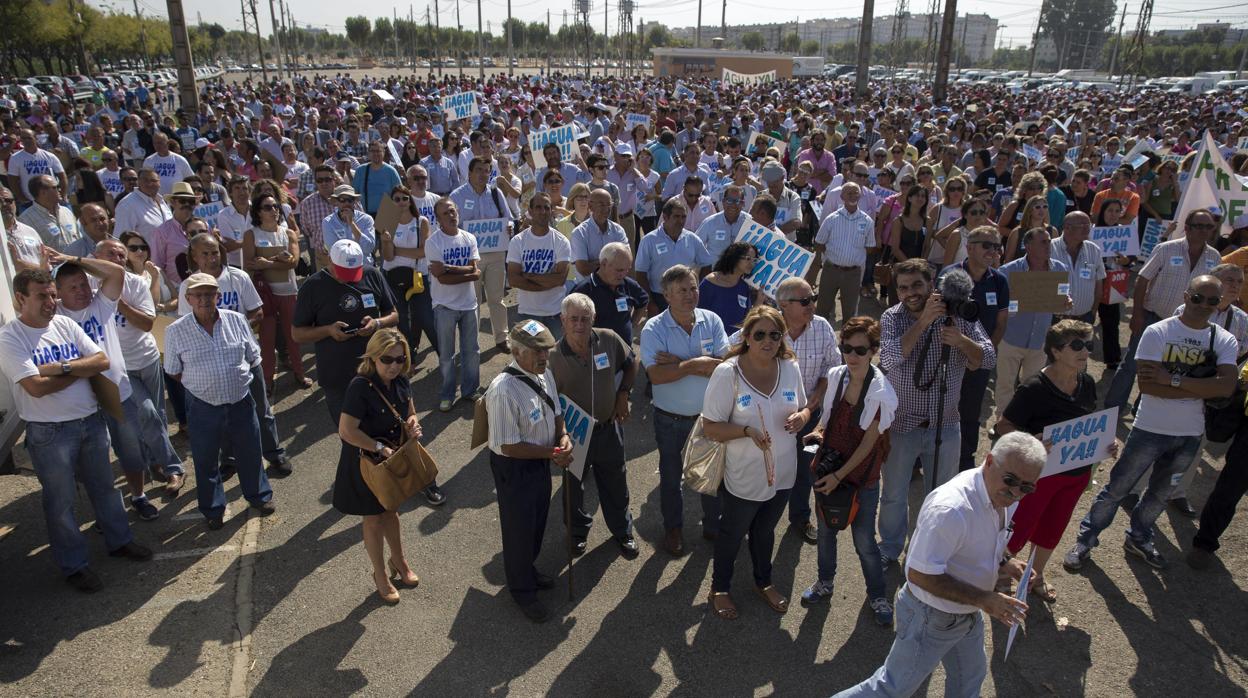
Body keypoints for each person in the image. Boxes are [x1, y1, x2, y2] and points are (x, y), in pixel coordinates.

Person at [831, 432, 1046, 698]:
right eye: (1010, 481)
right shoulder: (951, 510)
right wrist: (985, 599)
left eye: (1026, 487)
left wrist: (1006, 561)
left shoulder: (1002, 497)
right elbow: (920, 574)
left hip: (967, 611)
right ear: (989, 461)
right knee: (890, 690)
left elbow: (985, 539)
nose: (1015, 493)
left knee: (969, 680)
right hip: (931, 617)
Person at [1065, 275, 1238, 571]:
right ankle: (1086, 538)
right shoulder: (1158, 331)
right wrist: (1201, 384)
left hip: (1189, 434)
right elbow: (1148, 386)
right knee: (1118, 488)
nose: (1204, 305)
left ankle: (1139, 537)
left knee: (1160, 494)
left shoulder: (1223, 339)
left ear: (1219, 303)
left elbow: (1225, 388)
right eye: (1198, 298)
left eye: (1212, 301)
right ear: (1186, 296)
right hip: (1150, 428)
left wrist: (1171, 379)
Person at [0, 268, 152, 592]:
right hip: (51, 434)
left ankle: (120, 541)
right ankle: (75, 566)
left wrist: (60, 368)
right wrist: (78, 371)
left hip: (91, 422)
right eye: (42, 296)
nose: (51, 302)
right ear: (20, 299)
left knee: (105, 489)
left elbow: (101, 360)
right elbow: (35, 388)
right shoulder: (10, 338)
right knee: (61, 501)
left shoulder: (65, 324)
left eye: (53, 295)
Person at [877, 259, 996, 564]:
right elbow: (888, 359)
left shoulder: (956, 312)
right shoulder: (892, 317)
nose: (910, 293)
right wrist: (923, 323)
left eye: (917, 285)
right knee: (893, 494)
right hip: (902, 424)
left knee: (940, 497)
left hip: (946, 423)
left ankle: (926, 551)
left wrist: (961, 341)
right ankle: (889, 549)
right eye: (903, 288)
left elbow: (988, 359)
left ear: (932, 284)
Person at [701, 305, 809, 620]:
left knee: (765, 532)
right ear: (747, 337)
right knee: (732, 534)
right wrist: (745, 431)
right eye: (759, 334)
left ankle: (764, 581)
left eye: (775, 335)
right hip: (745, 475)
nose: (768, 341)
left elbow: (802, 408)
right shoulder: (728, 373)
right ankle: (719, 588)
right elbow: (710, 427)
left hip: (784, 472)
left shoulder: (790, 367)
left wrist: (802, 417)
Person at [996, 320, 1113, 602]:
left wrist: (1106, 442)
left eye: (1088, 345)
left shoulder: (1086, 382)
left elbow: (1089, 423)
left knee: (1053, 528)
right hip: (1039, 476)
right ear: (1055, 351)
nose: (1085, 351)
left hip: (1076, 474)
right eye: (1077, 345)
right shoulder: (1034, 388)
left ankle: (1035, 576)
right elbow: (1003, 425)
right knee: (1019, 529)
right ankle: (1001, 577)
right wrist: (1030, 441)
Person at [798, 316, 898, 627]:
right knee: (826, 532)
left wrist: (839, 476)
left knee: (865, 541)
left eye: (859, 350)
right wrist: (816, 433)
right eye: (846, 348)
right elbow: (827, 418)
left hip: (860, 477)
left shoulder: (881, 391)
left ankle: (878, 595)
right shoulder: (836, 376)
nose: (851, 356)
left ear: (874, 351)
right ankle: (824, 583)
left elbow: (870, 444)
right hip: (829, 468)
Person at [164, 273, 275, 529]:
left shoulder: (237, 321)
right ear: (188, 299)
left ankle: (259, 496)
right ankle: (213, 509)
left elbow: (253, 357)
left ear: (218, 296)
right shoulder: (175, 331)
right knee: (205, 459)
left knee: (250, 453)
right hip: (203, 406)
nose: (204, 299)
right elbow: (173, 370)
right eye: (198, 295)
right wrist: (202, 384)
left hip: (240, 401)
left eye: (209, 294)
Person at [483, 320, 574, 624]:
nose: (544, 357)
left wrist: (563, 437)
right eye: (537, 351)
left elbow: (556, 412)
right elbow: (508, 447)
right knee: (518, 529)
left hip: (540, 459)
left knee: (536, 522)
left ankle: (528, 570)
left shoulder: (543, 373)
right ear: (517, 352)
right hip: (516, 466)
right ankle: (522, 590)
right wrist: (553, 453)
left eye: (547, 350)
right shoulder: (503, 391)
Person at [640, 264, 729, 556]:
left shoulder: (712, 320)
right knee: (670, 477)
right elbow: (656, 376)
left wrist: (678, 362)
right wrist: (696, 363)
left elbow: (724, 369)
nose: (691, 295)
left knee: (711, 474)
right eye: (682, 291)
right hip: (670, 419)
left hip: (707, 417)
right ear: (666, 295)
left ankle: (713, 525)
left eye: (693, 288)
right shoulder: (653, 328)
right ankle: (674, 529)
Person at [334, 328, 424, 604]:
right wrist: (376, 446)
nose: (394, 365)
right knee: (373, 518)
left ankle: (400, 562)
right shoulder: (360, 386)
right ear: (373, 357)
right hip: (366, 463)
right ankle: (380, 574)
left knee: (391, 511)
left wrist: (412, 424)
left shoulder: (401, 381)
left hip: (391, 459)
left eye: (399, 359)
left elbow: (409, 411)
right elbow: (346, 430)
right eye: (387, 359)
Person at [1104, 209, 1223, 415]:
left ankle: (1141, 410)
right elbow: (1142, 280)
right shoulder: (1166, 249)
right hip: (1152, 317)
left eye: (1209, 227)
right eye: (1199, 226)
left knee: (1166, 370)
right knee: (1132, 364)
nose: (1204, 231)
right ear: (1187, 228)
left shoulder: (1214, 257)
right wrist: (1138, 314)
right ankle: (1112, 409)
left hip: (1184, 326)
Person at [548, 293, 639, 559]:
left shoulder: (609, 338)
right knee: (573, 489)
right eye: (573, 319)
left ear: (593, 319)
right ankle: (576, 534)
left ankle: (623, 531)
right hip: (575, 435)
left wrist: (624, 394)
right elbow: (550, 401)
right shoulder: (552, 357)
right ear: (562, 320)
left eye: (585, 319)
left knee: (616, 484)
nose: (579, 324)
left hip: (608, 428)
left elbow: (631, 362)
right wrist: (560, 434)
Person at [293, 239, 399, 424]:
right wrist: (328, 330)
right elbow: (297, 333)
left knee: (383, 429)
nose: (347, 278)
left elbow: (393, 314)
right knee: (350, 436)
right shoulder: (312, 287)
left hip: (376, 371)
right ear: (329, 261)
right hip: (337, 377)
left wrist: (377, 323)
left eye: (352, 273)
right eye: (342, 272)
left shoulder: (372, 275)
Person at [994, 228, 1073, 420]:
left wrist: (1066, 302)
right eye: (1043, 242)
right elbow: (998, 304)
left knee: (1032, 386)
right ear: (1028, 246)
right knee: (1005, 384)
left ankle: (1024, 423)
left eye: (1049, 241)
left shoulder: (1060, 270)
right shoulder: (1007, 271)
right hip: (1011, 337)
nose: (1048, 246)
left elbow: (1061, 301)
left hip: (1039, 339)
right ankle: (1002, 423)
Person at [950, 226, 1010, 471]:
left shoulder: (999, 281)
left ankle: (965, 461)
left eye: (996, 246)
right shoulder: (951, 276)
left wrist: (982, 354)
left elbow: (1001, 323)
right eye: (987, 245)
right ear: (969, 247)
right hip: (949, 358)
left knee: (970, 412)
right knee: (941, 406)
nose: (992, 251)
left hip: (979, 361)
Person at [243, 190, 307, 391]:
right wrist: (278, 260)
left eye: (276, 206)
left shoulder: (288, 233)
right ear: (258, 212)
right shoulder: (250, 234)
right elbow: (250, 265)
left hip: (288, 292)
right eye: (268, 207)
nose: (274, 210)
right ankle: (268, 379)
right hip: (264, 296)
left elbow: (293, 263)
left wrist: (266, 263)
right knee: (267, 340)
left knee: (293, 336)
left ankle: (299, 373)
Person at [426, 198, 484, 413]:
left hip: (469, 304)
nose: (450, 216)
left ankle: (470, 390)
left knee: (472, 351)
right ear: (438, 219)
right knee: (447, 355)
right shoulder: (433, 242)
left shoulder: (469, 238)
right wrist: (465, 272)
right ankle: (447, 394)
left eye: (452, 210)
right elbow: (442, 279)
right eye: (444, 213)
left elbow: (476, 273)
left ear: (457, 211)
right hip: (444, 306)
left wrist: (448, 268)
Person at [450, 156, 513, 351]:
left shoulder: (496, 193)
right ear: (469, 173)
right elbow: (452, 226)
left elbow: (508, 218)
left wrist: (509, 227)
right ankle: (471, 342)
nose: (483, 174)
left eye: (487, 171)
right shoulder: (457, 196)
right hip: (470, 257)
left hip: (495, 253)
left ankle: (502, 338)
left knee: (496, 298)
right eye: (478, 170)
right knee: (472, 301)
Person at [379, 185, 438, 359]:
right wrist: (387, 243)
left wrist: (397, 250)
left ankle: (444, 355)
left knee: (427, 318)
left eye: (405, 198)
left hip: (417, 276)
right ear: (392, 202)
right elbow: (388, 257)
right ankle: (407, 358)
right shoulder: (387, 220)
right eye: (396, 199)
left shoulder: (421, 221)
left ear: (410, 200)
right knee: (402, 321)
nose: (401, 202)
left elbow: (423, 252)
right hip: (393, 277)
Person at [507, 193, 572, 337]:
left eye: (546, 208)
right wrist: (547, 280)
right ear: (530, 211)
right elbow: (513, 279)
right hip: (528, 313)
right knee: (530, 357)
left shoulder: (561, 241)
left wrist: (529, 276)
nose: (542, 212)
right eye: (538, 207)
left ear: (551, 211)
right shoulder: (518, 241)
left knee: (556, 357)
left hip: (555, 313)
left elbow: (560, 279)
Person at [635, 199, 714, 314]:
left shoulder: (692, 239)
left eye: (683, 217)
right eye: (676, 216)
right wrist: (649, 302)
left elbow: (707, 264)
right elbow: (641, 274)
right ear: (665, 217)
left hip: (685, 297)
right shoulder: (649, 240)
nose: (681, 221)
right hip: (659, 298)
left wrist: (697, 288)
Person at [813, 181, 875, 326]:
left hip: (853, 274)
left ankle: (846, 345)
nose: (853, 196)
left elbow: (870, 246)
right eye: (849, 193)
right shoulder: (831, 219)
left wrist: (854, 255)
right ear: (842, 196)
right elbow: (819, 242)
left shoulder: (867, 221)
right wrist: (820, 261)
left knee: (850, 314)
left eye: (856, 193)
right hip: (831, 270)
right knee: (822, 309)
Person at [570, 241, 649, 346]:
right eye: (619, 270)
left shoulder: (629, 285)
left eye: (627, 270)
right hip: (596, 354)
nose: (623, 275)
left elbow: (643, 301)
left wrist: (631, 324)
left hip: (625, 353)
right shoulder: (583, 291)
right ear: (603, 264)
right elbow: (570, 322)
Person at [1050, 211, 1106, 322]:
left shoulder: (1094, 250)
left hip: (1084, 318)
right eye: (1082, 226)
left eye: (1088, 225)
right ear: (1067, 227)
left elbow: (1099, 284)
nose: (1087, 229)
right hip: (1055, 318)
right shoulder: (1048, 249)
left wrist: (1093, 310)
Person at [697, 241, 756, 332]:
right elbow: (697, 314)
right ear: (735, 257)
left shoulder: (744, 287)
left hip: (735, 343)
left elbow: (747, 319)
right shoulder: (711, 281)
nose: (751, 263)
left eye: (754, 260)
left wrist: (759, 299)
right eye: (748, 259)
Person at [569, 189, 628, 280]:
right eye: (601, 205)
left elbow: (626, 261)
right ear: (590, 206)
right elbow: (583, 269)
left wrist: (595, 263)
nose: (606, 209)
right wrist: (613, 262)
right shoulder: (579, 233)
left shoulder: (618, 230)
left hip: (614, 287)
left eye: (609, 205)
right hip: (589, 289)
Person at [321, 184, 378, 265]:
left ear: (354, 201)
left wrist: (352, 224)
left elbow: (369, 248)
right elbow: (333, 251)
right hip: (341, 268)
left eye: (350, 199)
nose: (346, 203)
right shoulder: (328, 222)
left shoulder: (366, 219)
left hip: (364, 267)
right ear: (336, 202)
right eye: (342, 199)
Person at [695, 184, 752, 261]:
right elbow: (695, 246)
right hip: (714, 270)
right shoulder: (709, 222)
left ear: (743, 203)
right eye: (729, 200)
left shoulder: (750, 222)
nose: (733, 205)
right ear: (723, 202)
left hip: (740, 271)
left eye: (737, 201)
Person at [352, 141, 402, 217]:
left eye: (378, 151)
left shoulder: (391, 171)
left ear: (383, 153)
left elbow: (400, 194)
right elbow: (354, 194)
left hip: (387, 215)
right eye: (372, 151)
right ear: (368, 153)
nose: (375, 154)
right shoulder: (360, 170)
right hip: (365, 215)